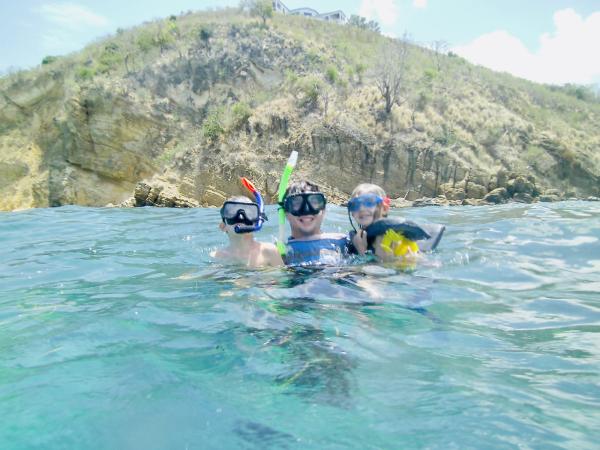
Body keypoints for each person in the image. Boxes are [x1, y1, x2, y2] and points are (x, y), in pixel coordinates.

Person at [347, 183, 421, 264]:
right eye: (355, 204)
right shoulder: (356, 239)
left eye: (369, 202)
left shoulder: (395, 240)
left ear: (385, 208)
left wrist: (362, 253)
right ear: (352, 213)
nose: (361, 208)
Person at [281, 180, 349, 266]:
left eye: (313, 203)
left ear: (323, 210)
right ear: (285, 213)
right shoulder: (279, 252)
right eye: (297, 203)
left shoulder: (343, 241)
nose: (306, 210)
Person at [213, 195, 283, 267]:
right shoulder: (217, 256)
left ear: (256, 222)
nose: (241, 217)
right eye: (233, 213)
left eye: (249, 213)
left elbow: (281, 277)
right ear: (223, 226)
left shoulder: (269, 251)